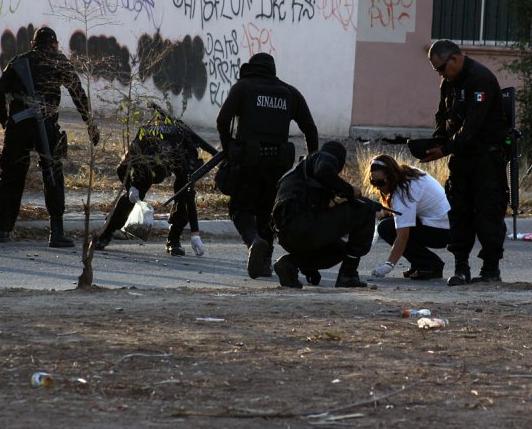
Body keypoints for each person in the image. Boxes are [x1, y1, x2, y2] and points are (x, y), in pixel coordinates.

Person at [0, 26, 99, 248]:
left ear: (33, 44)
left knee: (12, 175)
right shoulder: (58, 61)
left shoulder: (19, 61)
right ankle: (57, 232)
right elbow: (78, 93)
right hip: (46, 125)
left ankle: (2, 229)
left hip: (19, 125)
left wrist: (5, 119)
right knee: (52, 174)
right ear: (54, 44)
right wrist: (90, 124)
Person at [216, 52, 318, 279]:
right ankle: (264, 262)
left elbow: (223, 120)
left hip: (248, 161)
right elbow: (310, 129)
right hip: (278, 164)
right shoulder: (290, 93)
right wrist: (312, 160)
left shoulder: (243, 87)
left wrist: (229, 147)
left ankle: (254, 241)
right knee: (267, 210)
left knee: (240, 208)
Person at [423, 40, 509, 285]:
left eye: (442, 68)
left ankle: (490, 269)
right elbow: (443, 116)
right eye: (437, 70)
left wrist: (444, 149)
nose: (441, 74)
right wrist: (436, 140)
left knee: (488, 213)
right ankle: (461, 267)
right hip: (462, 158)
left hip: (486, 159)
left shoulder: (480, 79)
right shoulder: (449, 82)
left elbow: (472, 127)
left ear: (455, 59)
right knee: (459, 213)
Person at [94, 108, 205, 256]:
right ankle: (105, 234)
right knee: (133, 194)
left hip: (177, 159)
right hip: (146, 165)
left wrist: (195, 234)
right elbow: (122, 168)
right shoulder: (143, 144)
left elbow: (189, 194)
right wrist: (130, 188)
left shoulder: (181, 154)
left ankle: (174, 239)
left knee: (183, 195)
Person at [271, 141, 375, 288]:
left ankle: (290, 264)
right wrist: (349, 190)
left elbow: (309, 206)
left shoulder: (296, 175)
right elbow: (324, 171)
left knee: (338, 250)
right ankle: (348, 275)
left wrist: (310, 269)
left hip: (286, 236)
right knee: (367, 207)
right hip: (303, 227)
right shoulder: (325, 157)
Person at [366, 154, 451, 281]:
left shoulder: (404, 193)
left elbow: (402, 236)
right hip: (446, 224)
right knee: (389, 222)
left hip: (444, 232)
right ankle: (419, 264)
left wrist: (388, 265)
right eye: (373, 182)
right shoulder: (407, 174)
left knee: (386, 228)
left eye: (380, 182)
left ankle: (431, 265)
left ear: (391, 177)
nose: (377, 186)